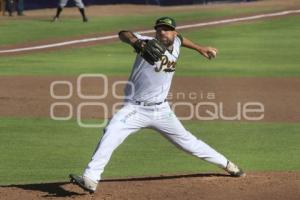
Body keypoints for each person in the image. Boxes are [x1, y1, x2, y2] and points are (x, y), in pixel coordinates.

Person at [69, 16, 245, 193]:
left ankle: (228, 164)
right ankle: (91, 178)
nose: (162, 31)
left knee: (188, 142)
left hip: (161, 110)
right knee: (111, 132)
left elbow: (181, 39)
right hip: (135, 109)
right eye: (159, 29)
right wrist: (135, 42)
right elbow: (123, 34)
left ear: (174, 32)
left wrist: (200, 49)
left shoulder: (176, 42)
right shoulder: (146, 42)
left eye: (166, 29)